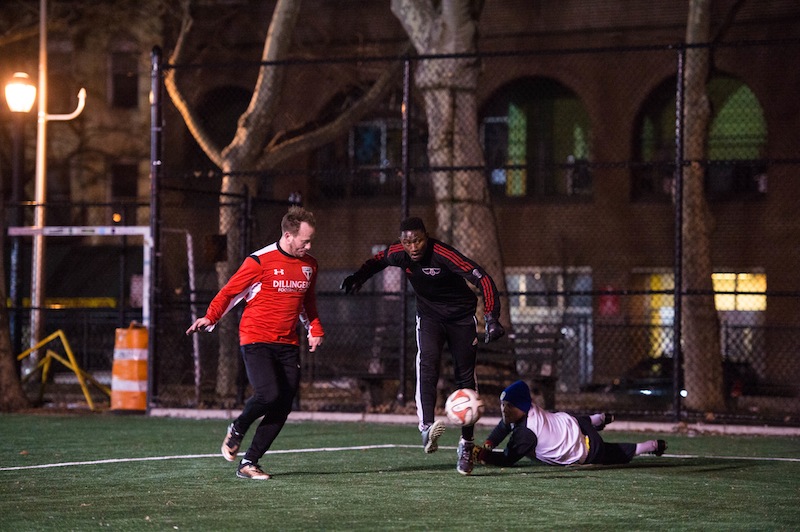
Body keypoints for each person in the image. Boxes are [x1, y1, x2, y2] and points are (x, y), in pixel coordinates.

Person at [340, 216, 506, 475]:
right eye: (407, 242)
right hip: (429, 317)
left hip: (461, 317)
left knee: (465, 378)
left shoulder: (443, 254)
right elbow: (377, 261)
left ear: (426, 237)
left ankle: (466, 445)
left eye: (418, 240)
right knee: (426, 364)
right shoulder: (399, 253)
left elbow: (482, 277)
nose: (413, 247)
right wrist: (358, 277)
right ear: (402, 242)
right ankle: (426, 428)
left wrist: (492, 317)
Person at [186, 206, 325, 480]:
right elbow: (230, 293)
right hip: (256, 338)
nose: (309, 246)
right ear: (288, 235)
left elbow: (307, 301)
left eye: (310, 241)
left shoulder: (310, 265)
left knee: (284, 405)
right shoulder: (260, 261)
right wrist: (210, 317)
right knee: (268, 394)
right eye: (304, 241)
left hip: (288, 342)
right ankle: (237, 428)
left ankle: (249, 462)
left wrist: (315, 328)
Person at [473, 380, 667, 469]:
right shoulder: (529, 409)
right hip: (574, 424)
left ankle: (647, 446)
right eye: (502, 405)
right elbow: (504, 425)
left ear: (522, 407)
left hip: (586, 449)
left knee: (612, 453)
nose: (504, 410)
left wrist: (483, 455)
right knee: (567, 418)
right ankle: (597, 419)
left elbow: (508, 459)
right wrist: (490, 442)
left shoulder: (526, 433)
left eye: (509, 406)